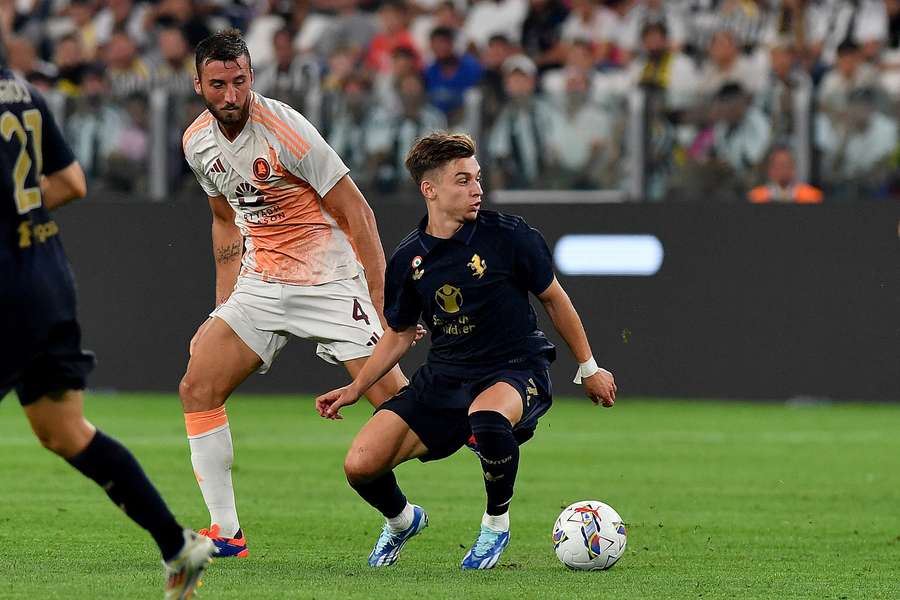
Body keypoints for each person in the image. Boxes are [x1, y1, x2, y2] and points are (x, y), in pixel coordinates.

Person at [315, 132, 617, 570]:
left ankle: (495, 525)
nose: (477, 189)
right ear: (430, 189)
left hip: (515, 367)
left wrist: (589, 367)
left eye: (477, 178)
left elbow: (554, 298)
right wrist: (356, 388)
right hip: (445, 378)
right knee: (360, 466)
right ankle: (402, 521)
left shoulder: (509, 236)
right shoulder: (408, 260)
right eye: (463, 180)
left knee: (488, 418)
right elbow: (399, 335)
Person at [180, 29, 412, 557]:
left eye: (240, 81)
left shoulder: (287, 130)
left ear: (252, 77)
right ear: (198, 84)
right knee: (198, 386)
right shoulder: (197, 143)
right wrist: (224, 305)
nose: (231, 95)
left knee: (400, 410)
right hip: (261, 283)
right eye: (218, 84)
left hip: (328, 278)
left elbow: (359, 215)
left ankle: (403, 513)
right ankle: (226, 532)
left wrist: (383, 306)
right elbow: (224, 219)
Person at [0, 41, 214, 600]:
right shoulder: (23, 93)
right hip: (47, 279)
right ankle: (178, 546)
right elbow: (70, 182)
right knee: (64, 431)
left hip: (4, 288)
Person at [748, 146, 823, 204]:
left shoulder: (811, 197)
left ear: (793, 169)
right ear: (770, 170)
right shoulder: (756, 197)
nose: (782, 170)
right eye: (778, 165)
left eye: (785, 165)